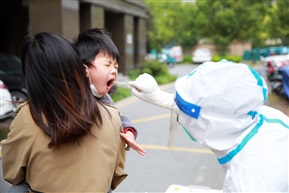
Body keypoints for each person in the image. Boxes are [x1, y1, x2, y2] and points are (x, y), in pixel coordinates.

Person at [128, 60, 289, 192]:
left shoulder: (250, 180)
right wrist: (159, 97)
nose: (184, 120)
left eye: (187, 115)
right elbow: (209, 109)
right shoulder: (260, 116)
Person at [1, 32, 127, 192]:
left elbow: (12, 173)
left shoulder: (30, 116)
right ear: (81, 69)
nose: (114, 70)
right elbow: (117, 175)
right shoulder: (111, 114)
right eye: (108, 64)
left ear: (32, 78)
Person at [72, 28, 145, 156]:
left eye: (116, 66)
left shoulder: (104, 97)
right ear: (85, 69)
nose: (114, 71)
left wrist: (129, 132)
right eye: (107, 65)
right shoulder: (72, 98)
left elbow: (117, 117)